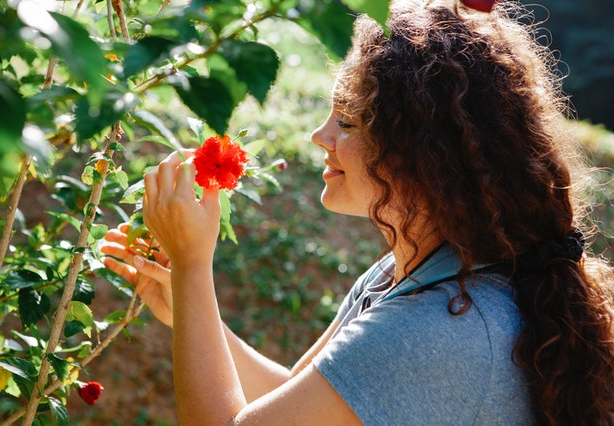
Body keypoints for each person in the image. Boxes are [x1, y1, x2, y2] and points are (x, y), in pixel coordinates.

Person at [100, 0, 614, 424]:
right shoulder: (415, 269)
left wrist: (193, 269)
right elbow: (310, 399)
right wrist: (192, 308)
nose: (318, 136)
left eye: (347, 120)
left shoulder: (439, 326)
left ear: (421, 154)